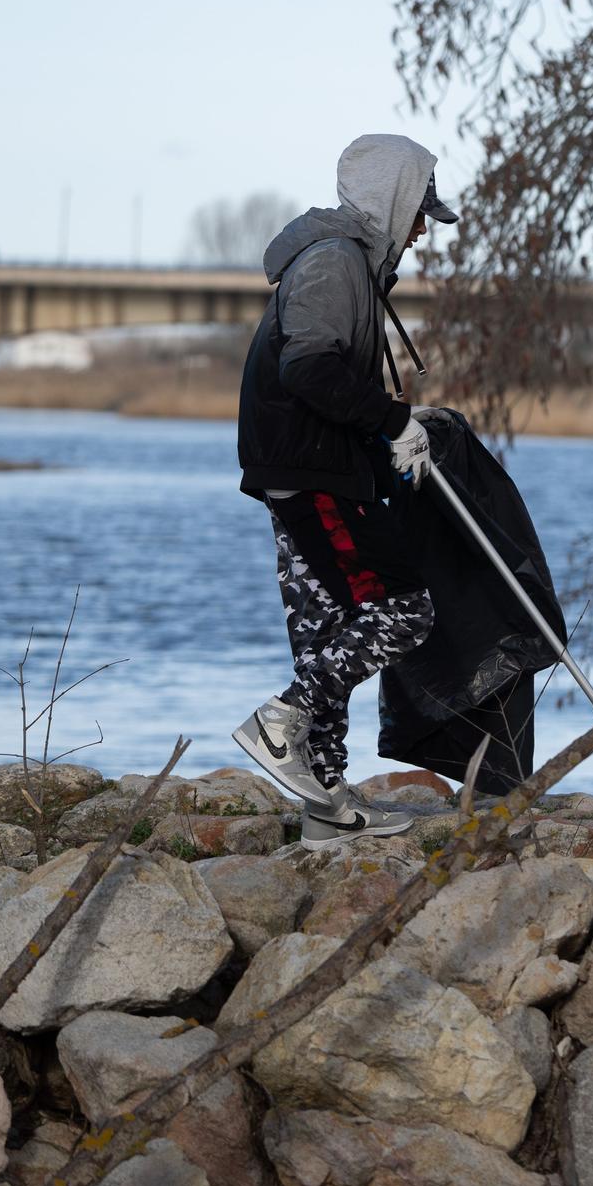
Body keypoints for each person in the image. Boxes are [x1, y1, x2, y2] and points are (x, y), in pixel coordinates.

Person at [231, 134, 460, 847]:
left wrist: (396, 429)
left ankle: (325, 804)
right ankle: (282, 719)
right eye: (420, 210)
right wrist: (391, 418)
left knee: (325, 630)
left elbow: (328, 378)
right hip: (310, 466)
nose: (422, 228)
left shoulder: (347, 263)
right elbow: (307, 371)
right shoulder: (335, 264)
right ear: (393, 200)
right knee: (405, 610)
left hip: (298, 464)